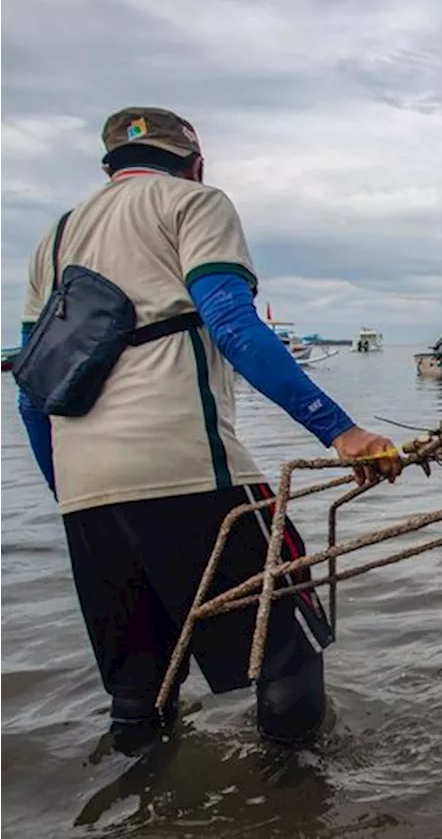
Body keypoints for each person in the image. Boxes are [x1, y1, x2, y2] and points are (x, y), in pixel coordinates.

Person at [15, 106, 403, 750]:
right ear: (195, 163)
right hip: (191, 472)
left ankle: (141, 805)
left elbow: (33, 391)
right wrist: (341, 431)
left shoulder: (53, 239)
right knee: (287, 654)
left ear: (110, 167)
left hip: (88, 499)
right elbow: (235, 326)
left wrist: (69, 495)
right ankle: (294, 805)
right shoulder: (193, 203)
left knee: (141, 690)